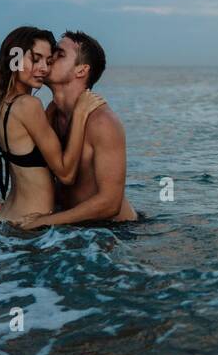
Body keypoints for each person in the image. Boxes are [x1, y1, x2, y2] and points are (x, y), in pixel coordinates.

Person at [0, 26, 106, 226]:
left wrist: (49, 113)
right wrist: (81, 113)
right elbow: (66, 174)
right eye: (35, 59)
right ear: (14, 59)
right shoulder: (29, 105)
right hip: (29, 226)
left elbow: (25, 149)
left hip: (5, 217)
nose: (43, 68)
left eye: (48, 61)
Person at [17, 31, 137, 228]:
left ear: (81, 71)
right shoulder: (51, 114)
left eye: (60, 54)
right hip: (71, 223)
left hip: (115, 230)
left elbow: (110, 204)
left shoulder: (102, 122)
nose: (50, 58)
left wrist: (43, 221)